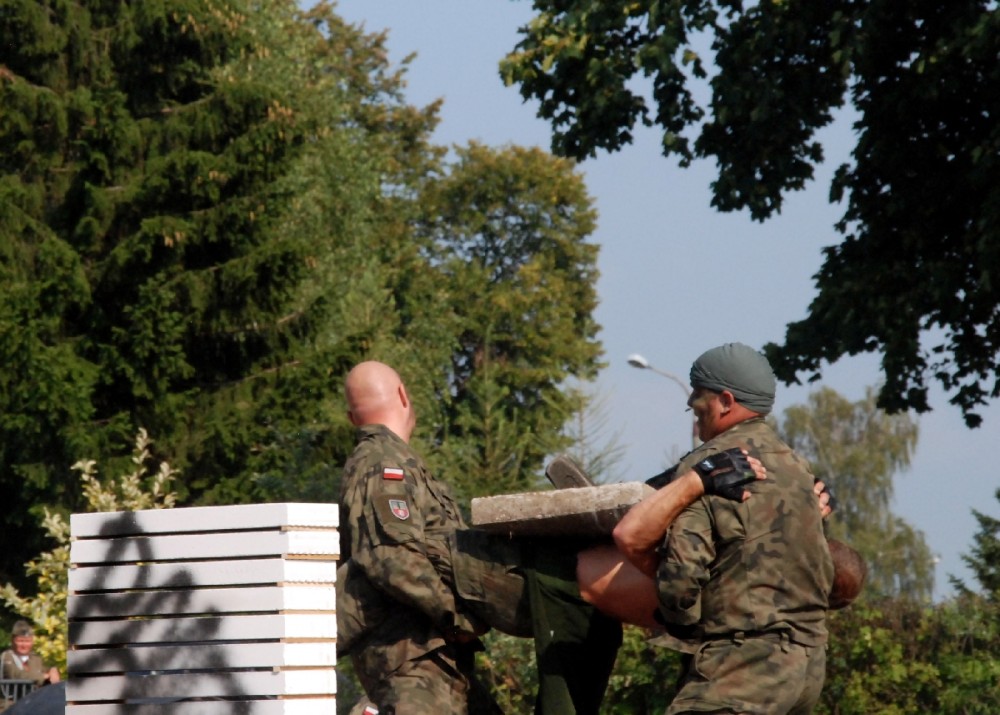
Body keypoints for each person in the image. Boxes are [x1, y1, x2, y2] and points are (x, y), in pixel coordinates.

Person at [336, 360, 764, 715]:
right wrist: (456, 616)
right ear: (404, 396)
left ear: (353, 415)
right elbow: (388, 556)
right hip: (407, 654)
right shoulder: (380, 462)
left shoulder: (396, 461)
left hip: (431, 651)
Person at [613, 342, 834, 714]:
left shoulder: (711, 466)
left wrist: (680, 621)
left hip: (743, 668)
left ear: (726, 401)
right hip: (807, 666)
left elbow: (682, 572)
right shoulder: (797, 467)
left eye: (698, 396)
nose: (692, 407)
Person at [1, 620, 60, 709]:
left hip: (31, 703)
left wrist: (53, 670)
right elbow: (18, 675)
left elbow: (46, 671)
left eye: (27, 641)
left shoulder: (36, 659)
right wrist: (43, 676)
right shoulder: (7, 657)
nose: (24, 645)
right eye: (20, 641)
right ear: (13, 641)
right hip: (9, 705)